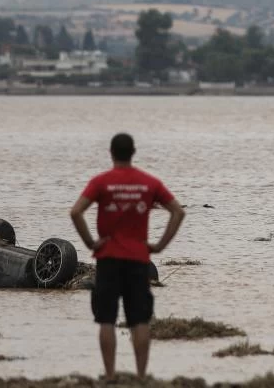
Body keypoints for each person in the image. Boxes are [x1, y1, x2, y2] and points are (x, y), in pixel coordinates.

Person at [69, 133, 186, 381]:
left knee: (106, 320)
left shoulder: (101, 182)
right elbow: (177, 211)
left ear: (111, 153)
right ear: (133, 153)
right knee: (140, 319)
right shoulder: (149, 182)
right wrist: (160, 245)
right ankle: (141, 376)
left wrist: (90, 242)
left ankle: (110, 375)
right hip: (138, 260)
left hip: (108, 259)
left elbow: (76, 211)